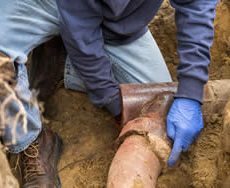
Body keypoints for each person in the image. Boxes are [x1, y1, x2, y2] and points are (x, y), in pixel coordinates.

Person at [0, 0, 218, 187]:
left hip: (115, 23)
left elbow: (197, 5)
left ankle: (59, 61)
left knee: (157, 107)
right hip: (41, 5)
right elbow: (82, 34)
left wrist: (191, 90)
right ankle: (31, 140)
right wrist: (114, 102)